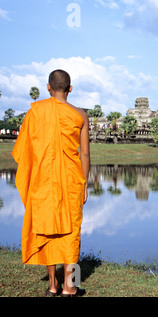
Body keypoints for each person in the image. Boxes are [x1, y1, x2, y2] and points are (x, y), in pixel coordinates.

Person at [12, 69, 90, 297]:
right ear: (70, 88)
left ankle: (52, 286)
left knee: (47, 231)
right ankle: (70, 287)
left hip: (43, 182)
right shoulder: (80, 115)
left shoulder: (35, 112)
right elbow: (84, 155)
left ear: (48, 87)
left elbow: (24, 151)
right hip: (72, 181)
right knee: (72, 234)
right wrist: (84, 184)